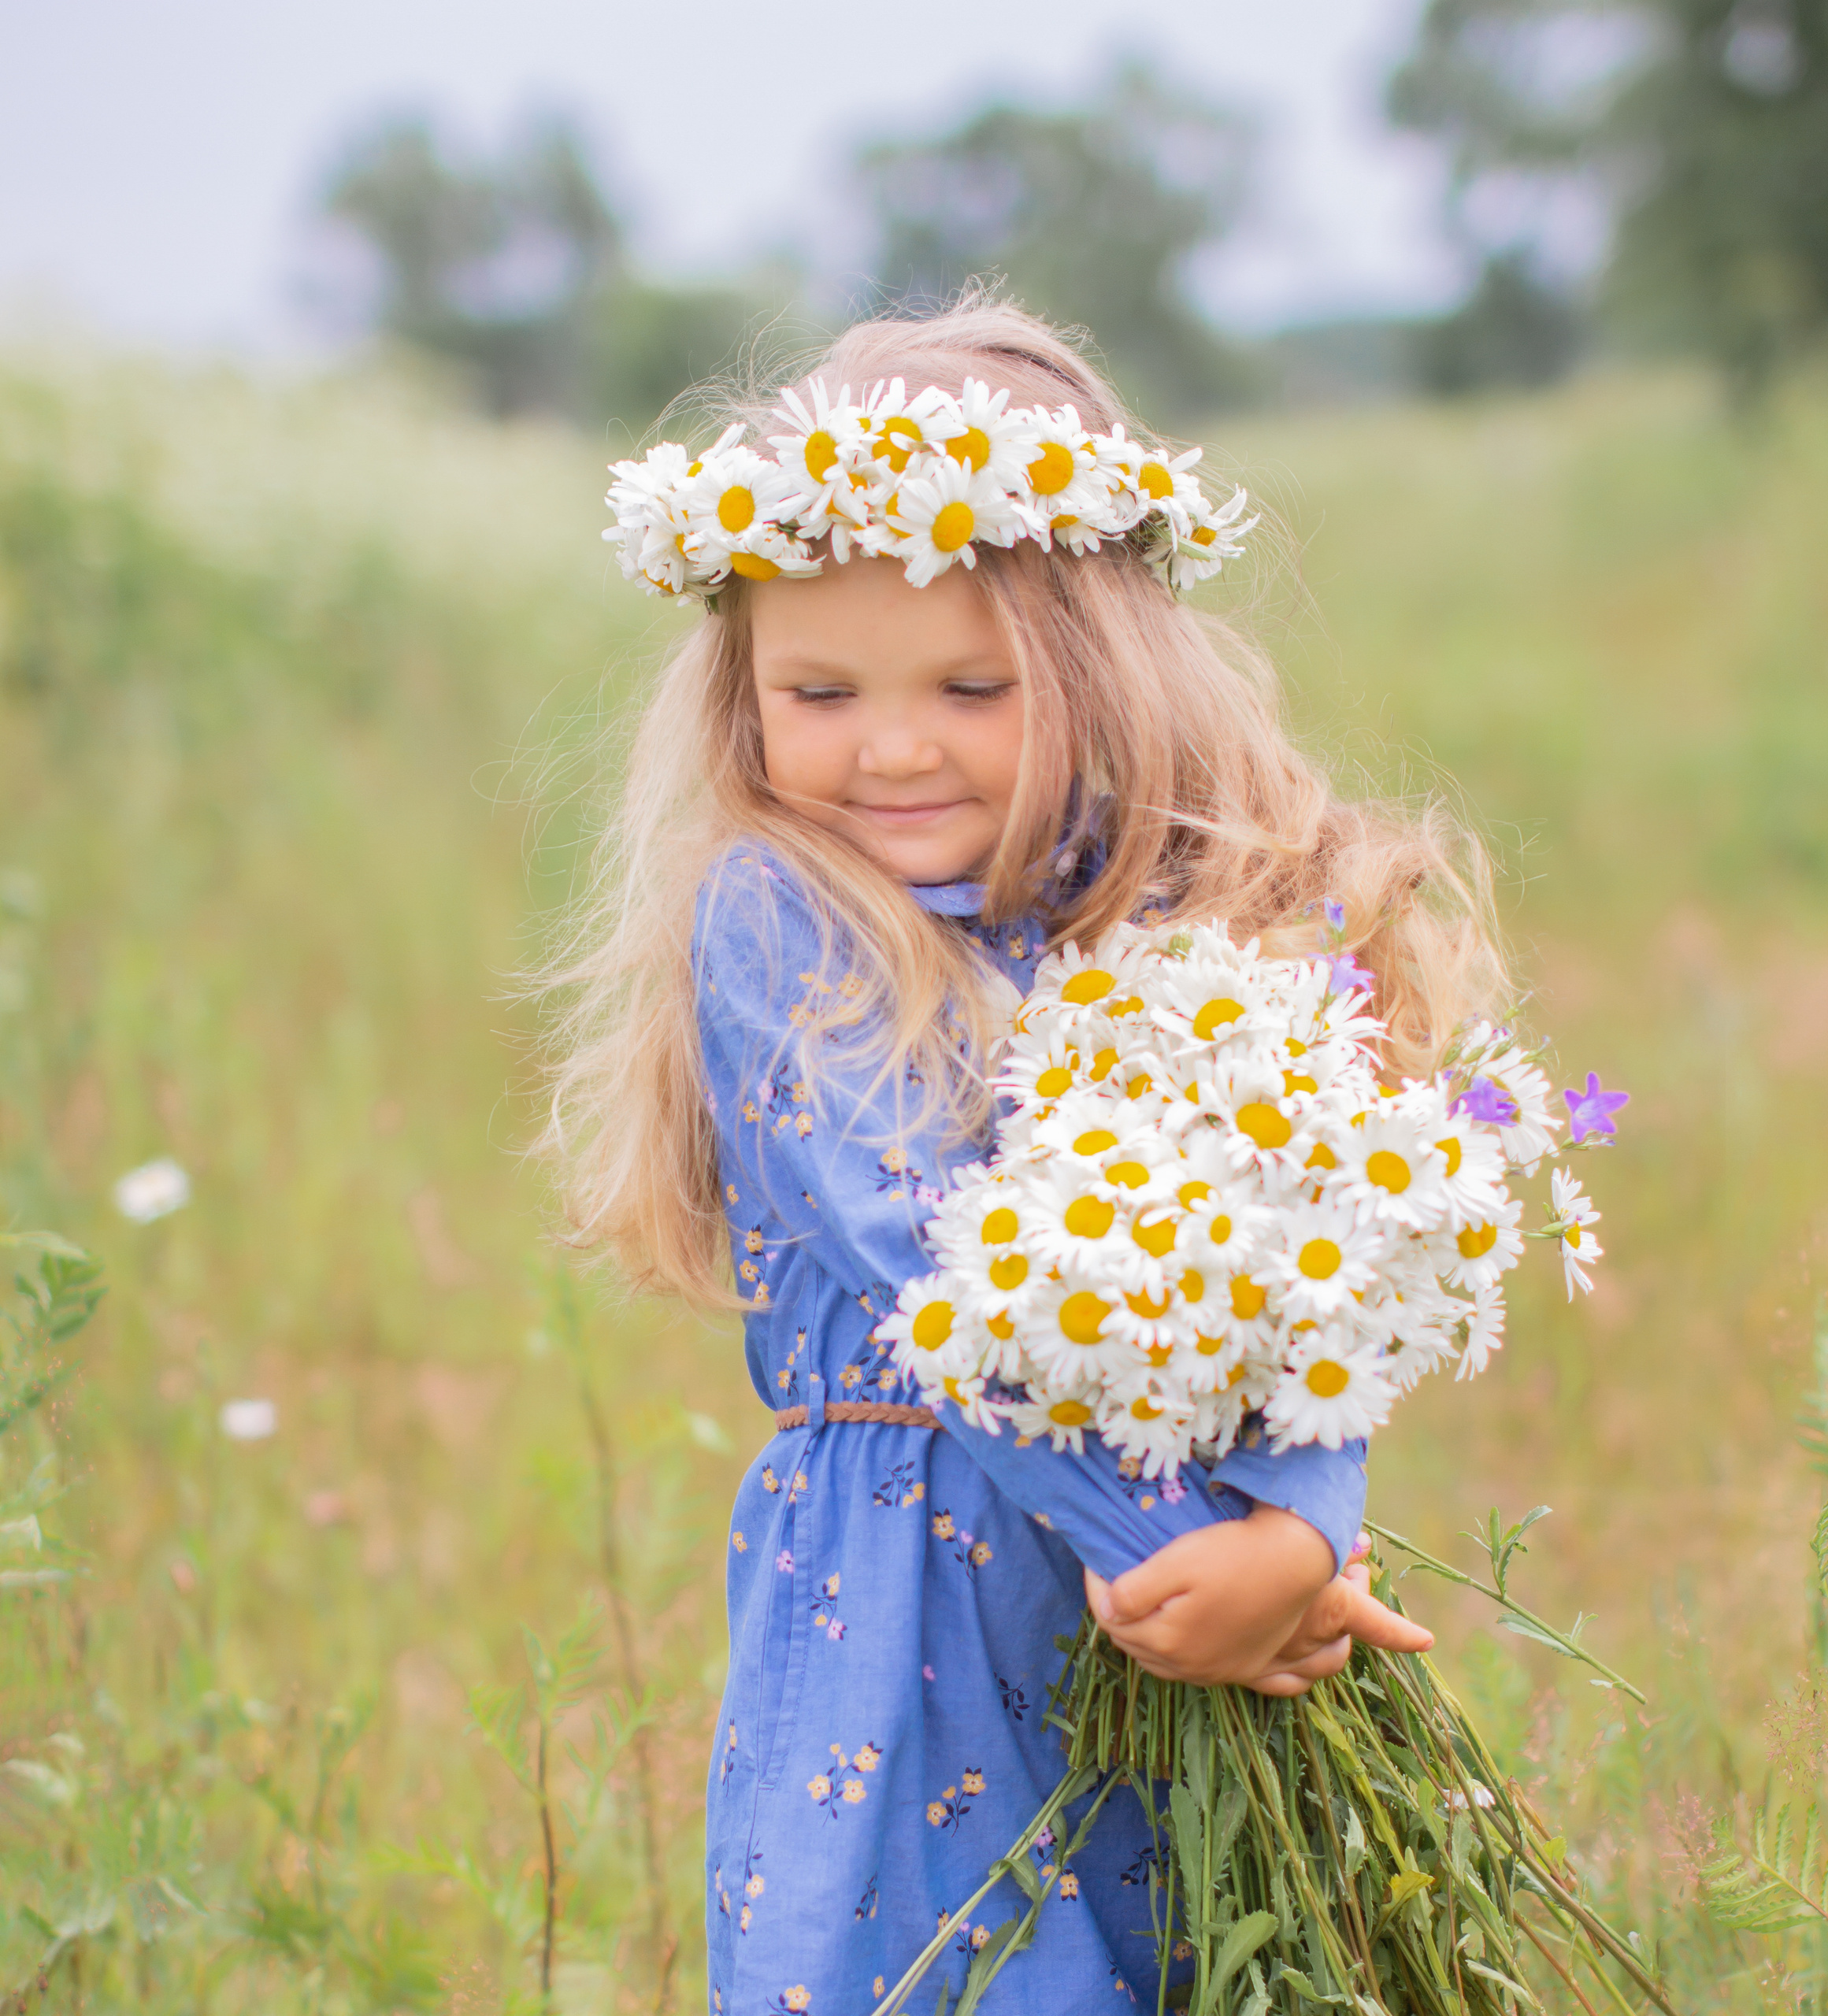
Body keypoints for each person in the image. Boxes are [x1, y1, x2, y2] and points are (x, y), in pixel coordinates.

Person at [544, 299, 1507, 2016]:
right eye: (816, 690)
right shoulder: (780, 909)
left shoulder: (1181, 913)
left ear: (1096, 667)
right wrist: (1179, 1561)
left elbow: (1320, 1262)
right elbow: (943, 1276)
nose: (892, 745)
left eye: (969, 687)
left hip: (1191, 1575)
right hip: (917, 1612)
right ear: (742, 692)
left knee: (1244, 1961)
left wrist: (1299, 1520)